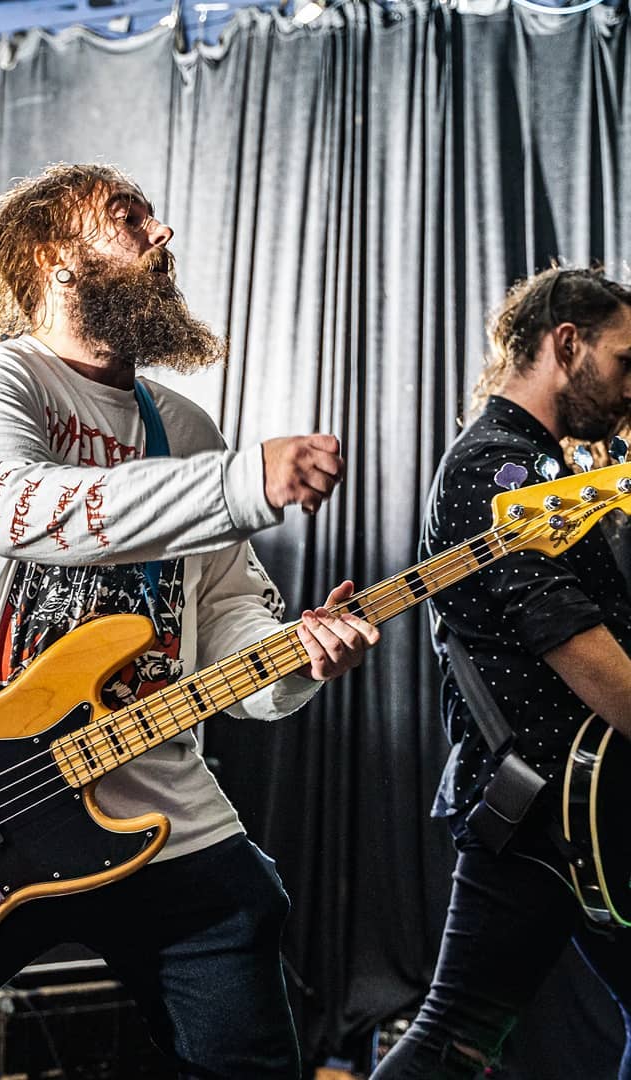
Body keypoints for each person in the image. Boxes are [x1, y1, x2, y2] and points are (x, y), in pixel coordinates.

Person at [0, 162, 378, 1080]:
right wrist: (244, 482)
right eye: (130, 219)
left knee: (247, 984)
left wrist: (293, 659)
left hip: (154, 806)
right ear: (56, 258)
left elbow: (228, 614)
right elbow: (25, 510)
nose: (161, 235)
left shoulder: (184, 425)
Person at [371, 266, 631, 1079]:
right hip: (542, 814)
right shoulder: (500, 468)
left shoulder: (550, 470)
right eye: (626, 362)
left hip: (584, 805)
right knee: (452, 1040)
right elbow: (576, 643)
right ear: (566, 344)